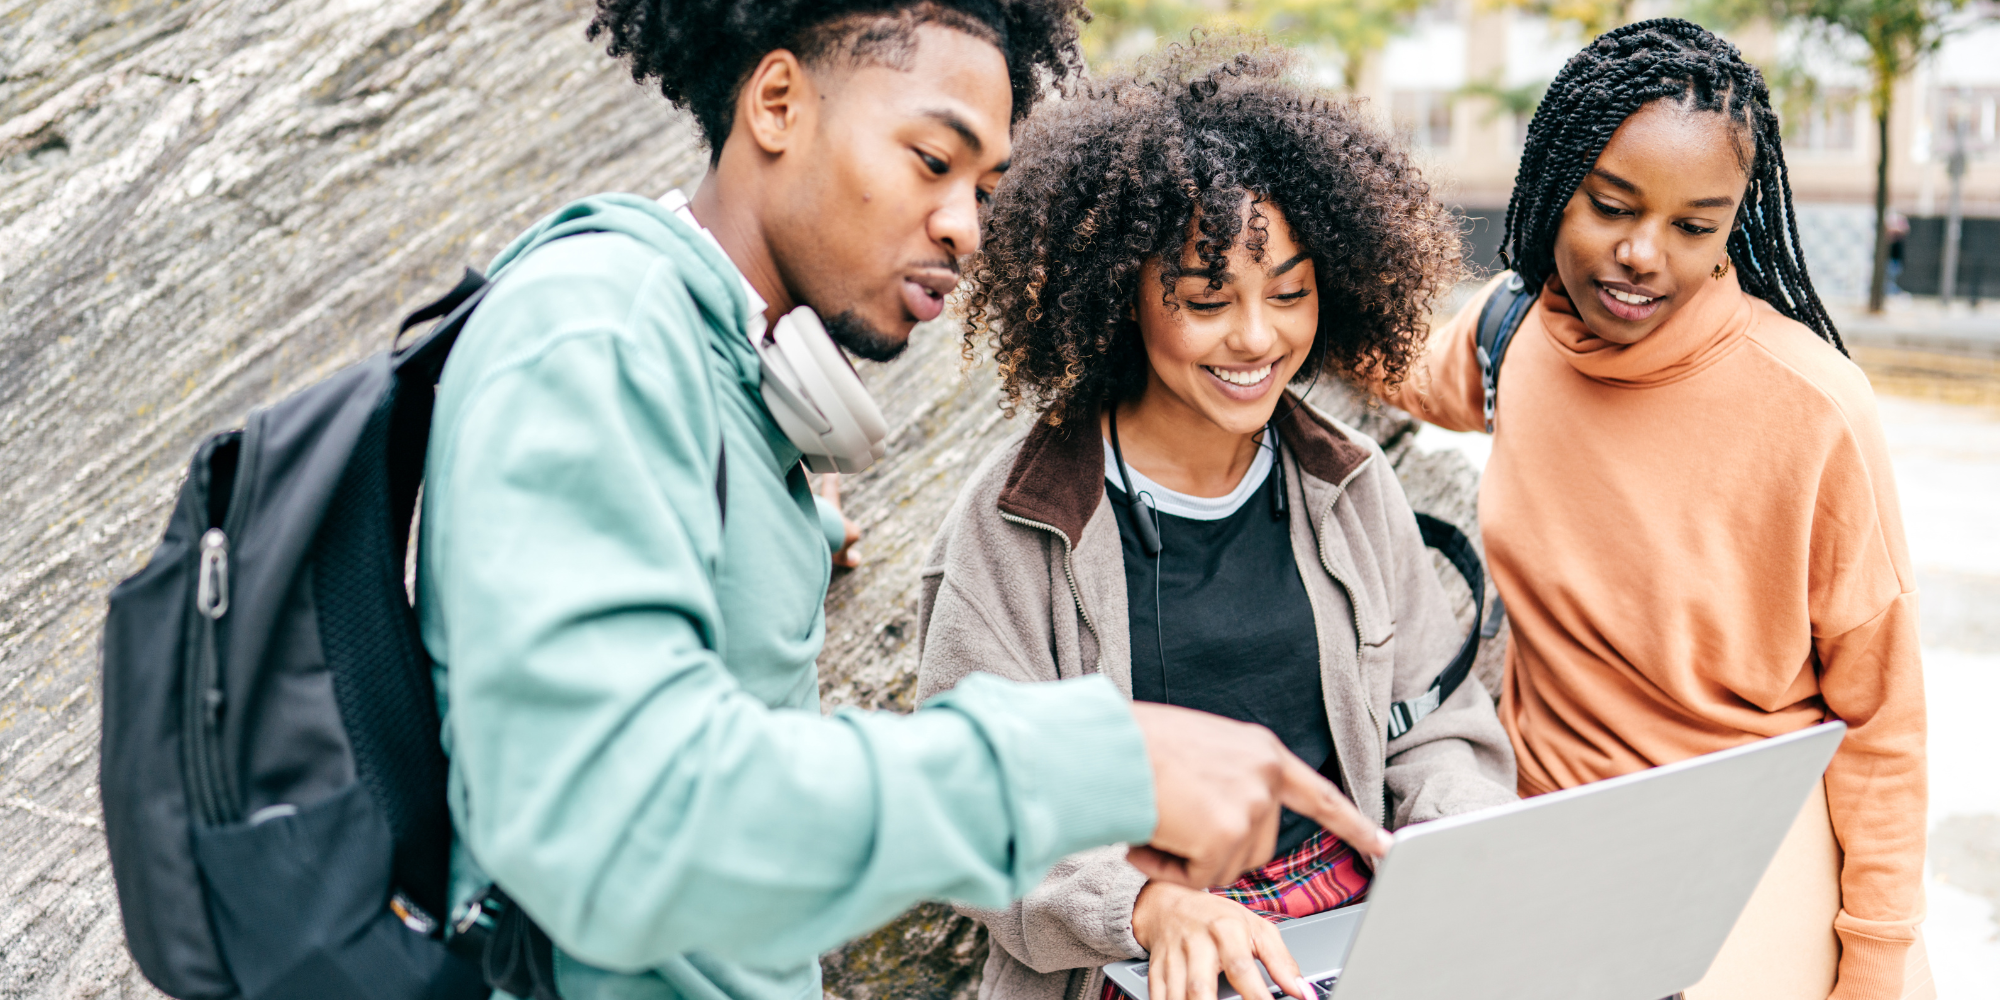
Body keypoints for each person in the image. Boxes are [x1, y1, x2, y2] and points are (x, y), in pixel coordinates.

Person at [415, 5, 1395, 1000]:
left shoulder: (721, 401)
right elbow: (621, 827)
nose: (964, 227)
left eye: (984, 188)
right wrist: (1098, 758)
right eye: (933, 160)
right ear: (778, 103)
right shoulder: (597, 340)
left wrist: (779, 525)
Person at [915, 43, 1518, 1000]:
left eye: (1289, 292)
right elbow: (970, 806)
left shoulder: (1351, 486)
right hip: (1137, 947)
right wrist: (1143, 909)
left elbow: (1436, 726)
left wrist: (1452, 843)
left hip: (1350, 923)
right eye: (1205, 299)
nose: (1255, 337)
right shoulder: (1015, 526)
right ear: (1121, 298)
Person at [1377, 20, 1927, 1000]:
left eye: (1691, 225)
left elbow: (1880, 719)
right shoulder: (1512, 333)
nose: (1639, 255)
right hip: (1546, 870)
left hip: (1745, 884)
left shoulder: (1813, 406)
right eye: (1609, 205)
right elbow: (1385, 369)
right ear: (1552, 182)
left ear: (1733, 226)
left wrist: (1874, 961)